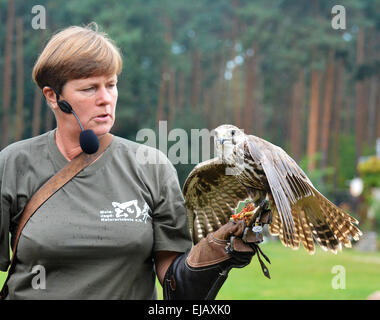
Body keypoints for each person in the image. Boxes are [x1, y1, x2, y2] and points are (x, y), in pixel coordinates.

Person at [0, 23, 255, 300]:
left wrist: (217, 253)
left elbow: (176, 286)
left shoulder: (151, 167)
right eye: (89, 89)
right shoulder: (14, 164)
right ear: (53, 97)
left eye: (111, 85)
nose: (106, 99)